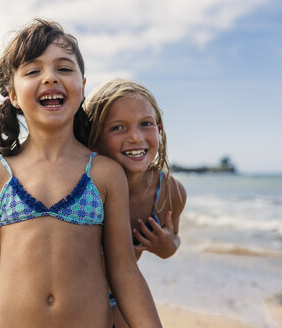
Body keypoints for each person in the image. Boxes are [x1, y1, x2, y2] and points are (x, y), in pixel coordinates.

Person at [0, 19, 162, 328]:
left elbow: (125, 272)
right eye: (33, 71)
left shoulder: (104, 174)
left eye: (64, 69)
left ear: (82, 85)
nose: (50, 78)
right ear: (12, 94)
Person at [85, 78, 187, 328]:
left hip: (118, 296)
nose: (135, 137)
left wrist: (167, 246)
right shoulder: (84, 185)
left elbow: (174, 240)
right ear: (95, 136)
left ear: (159, 128)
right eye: (118, 127)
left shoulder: (169, 193)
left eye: (146, 124)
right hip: (74, 297)